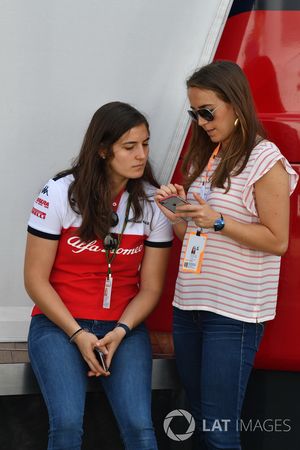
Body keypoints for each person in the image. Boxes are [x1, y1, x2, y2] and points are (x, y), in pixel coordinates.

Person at [155, 60, 299, 450]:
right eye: (194, 113)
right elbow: (196, 236)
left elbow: (277, 240)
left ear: (235, 104)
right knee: (204, 422)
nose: (200, 121)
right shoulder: (209, 158)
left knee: (219, 432)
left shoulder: (266, 159)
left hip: (233, 314)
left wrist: (217, 220)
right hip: (190, 306)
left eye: (207, 111)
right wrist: (180, 215)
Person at [24, 101, 173, 450]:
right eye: (130, 146)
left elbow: (151, 288)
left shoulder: (154, 202)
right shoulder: (60, 192)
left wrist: (120, 331)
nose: (141, 155)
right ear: (104, 150)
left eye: (146, 144)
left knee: (140, 427)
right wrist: (77, 334)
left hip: (124, 327)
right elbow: (34, 280)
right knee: (67, 424)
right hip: (58, 325)